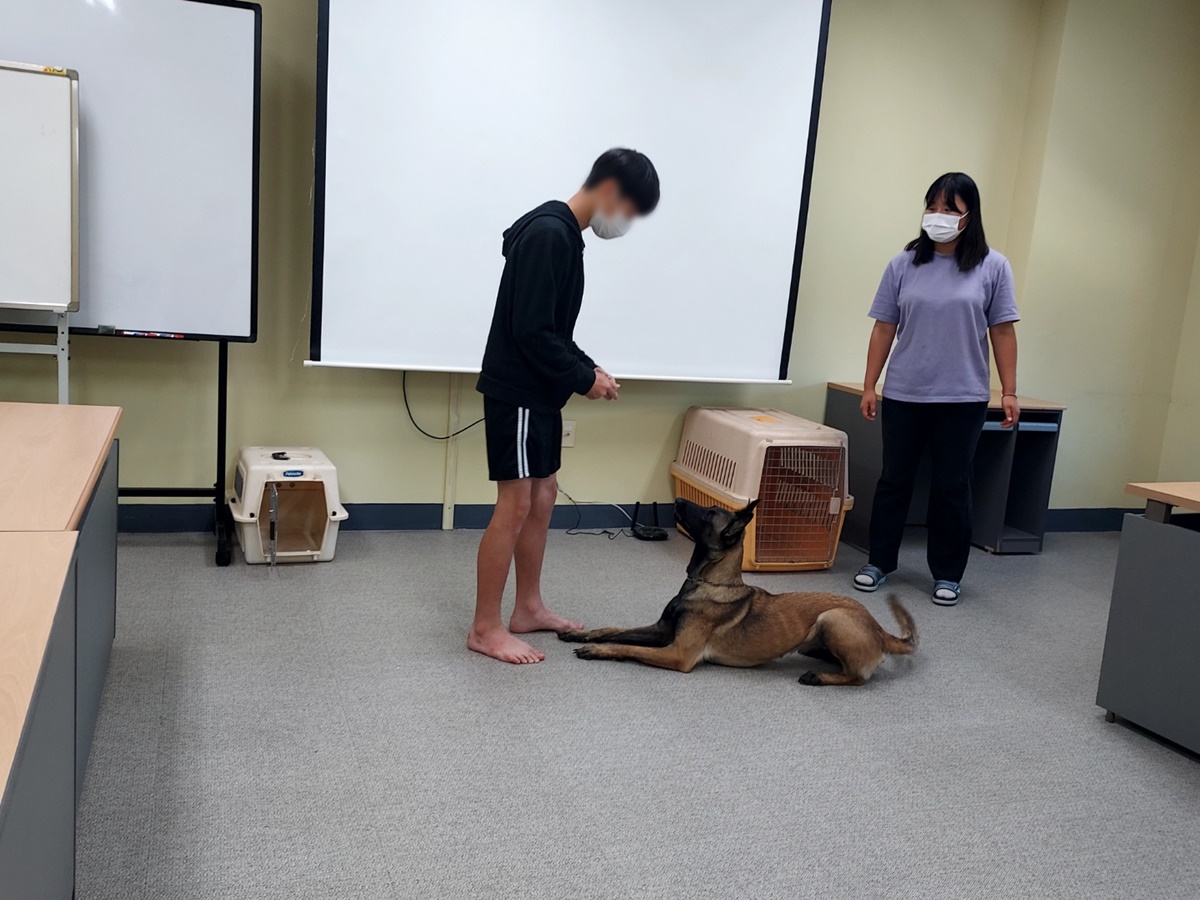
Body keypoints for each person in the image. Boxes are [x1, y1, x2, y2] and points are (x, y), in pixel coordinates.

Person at [469, 148, 660, 663]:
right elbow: (530, 331)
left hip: (539, 393)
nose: (626, 223)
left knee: (544, 494)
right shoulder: (549, 234)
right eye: (630, 210)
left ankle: (527, 608)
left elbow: (554, 330)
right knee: (515, 504)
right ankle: (485, 627)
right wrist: (581, 379)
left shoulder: (564, 235)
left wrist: (590, 368)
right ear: (611, 191)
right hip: (518, 393)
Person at [853, 172, 1020, 607]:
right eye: (932, 206)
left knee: (952, 487)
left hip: (963, 398)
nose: (938, 215)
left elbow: (1003, 331)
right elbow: (884, 326)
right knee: (894, 481)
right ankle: (879, 562)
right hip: (905, 393)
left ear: (969, 215)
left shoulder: (994, 266)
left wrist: (1009, 391)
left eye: (949, 208)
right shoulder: (903, 264)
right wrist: (870, 384)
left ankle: (947, 573)